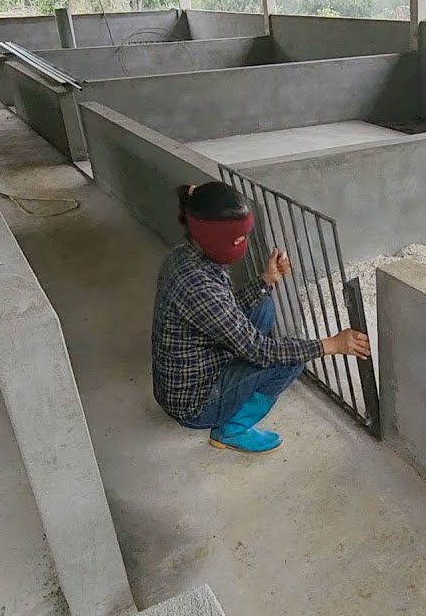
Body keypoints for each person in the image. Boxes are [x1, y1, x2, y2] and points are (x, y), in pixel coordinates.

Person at [151, 181, 371, 454]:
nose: (242, 244)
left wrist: (267, 280)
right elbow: (260, 350)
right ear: (209, 234)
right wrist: (331, 345)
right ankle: (230, 430)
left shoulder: (186, 255)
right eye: (236, 239)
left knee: (263, 305)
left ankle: (244, 382)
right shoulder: (197, 286)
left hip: (196, 366)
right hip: (194, 404)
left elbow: (224, 310)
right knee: (291, 360)